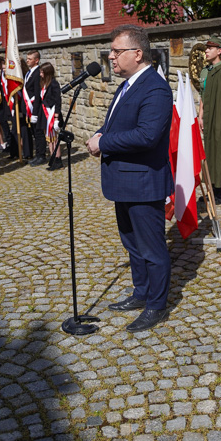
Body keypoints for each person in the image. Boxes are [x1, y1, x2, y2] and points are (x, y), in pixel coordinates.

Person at [85, 24, 173, 333]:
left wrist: (104, 143)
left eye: (116, 51)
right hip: (123, 181)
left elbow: (147, 135)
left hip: (144, 182)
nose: (110, 57)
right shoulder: (127, 85)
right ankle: (141, 292)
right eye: (111, 52)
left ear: (137, 54)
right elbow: (120, 123)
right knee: (132, 244)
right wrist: (101, 132)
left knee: (151, 248)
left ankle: (156, 305)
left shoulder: (156, 88)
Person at [198, 36, 221, 203]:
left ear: (219, 51)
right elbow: (202, 96)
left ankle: (220, 190)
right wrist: (200, 116)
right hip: (208, 116)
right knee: (208, 151)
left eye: (210, 48)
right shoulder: (206, 71)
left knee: (219, 150)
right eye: (206, 48)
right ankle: (211, 187)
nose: (206, 51)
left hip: (219, 118)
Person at [39, 62, 63, 171]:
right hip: (45, 113)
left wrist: (57, 118)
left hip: (52, 114)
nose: (40, 74)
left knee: (54, 139)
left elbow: (58, 101)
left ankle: (58, 160)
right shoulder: (44, 83)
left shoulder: (54, 84)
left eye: (42, 72)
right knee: (49, 139)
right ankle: (52, 158)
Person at [24, 50, 45, 166]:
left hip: (35, 108)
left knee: (38, 133)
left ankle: (41, 155)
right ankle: (37, 155)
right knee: (34, 133)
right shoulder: (29, 73)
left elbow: (37, 94)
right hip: (29, 108)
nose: (27, 60)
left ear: (36, 60)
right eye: (27, 58)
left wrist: (35, 113)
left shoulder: (37, 73)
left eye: (30, 59)